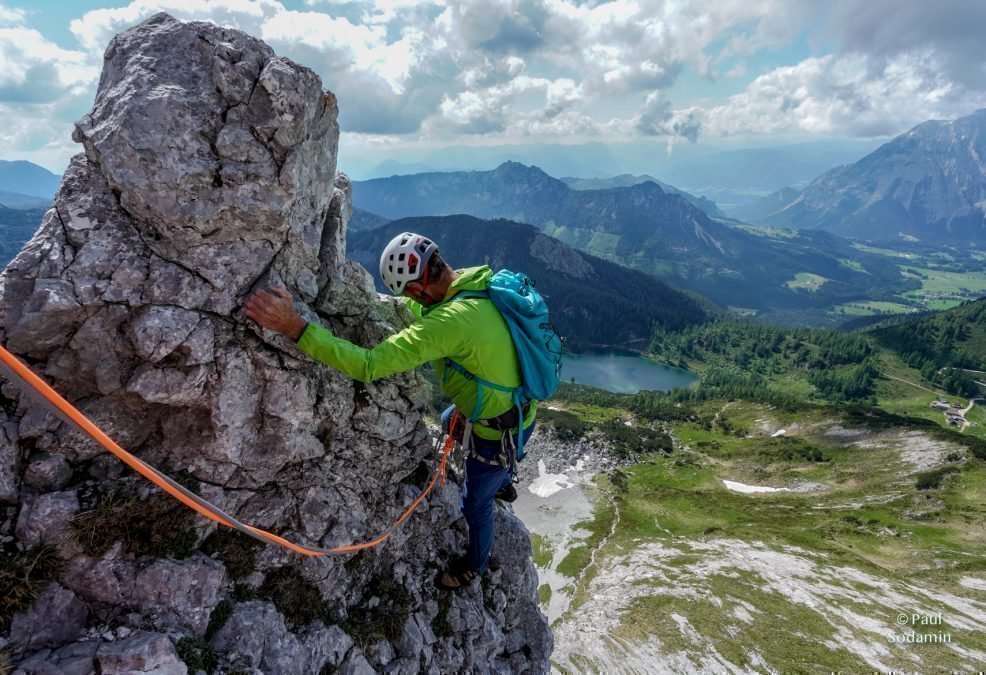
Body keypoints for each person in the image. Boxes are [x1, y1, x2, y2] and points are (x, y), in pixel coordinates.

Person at [241, 232, 536, 590]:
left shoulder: (448, 323)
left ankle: (475, 564)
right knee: (448, 422)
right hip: (519, 406)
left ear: (416, 288)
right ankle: (505, 477)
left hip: (495, 433)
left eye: (407, 294)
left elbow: (368, 365)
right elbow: (430, 313)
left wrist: (296, 327)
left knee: (475, 504)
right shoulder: (474, 281)